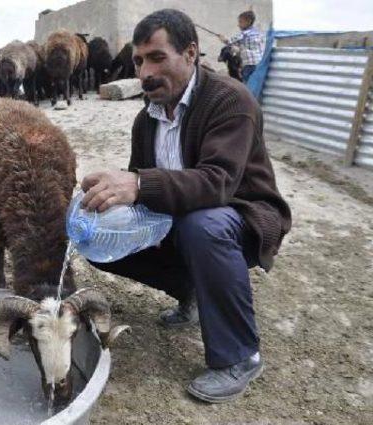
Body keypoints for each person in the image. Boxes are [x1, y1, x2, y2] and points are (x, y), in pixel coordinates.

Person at [80, 9, 291, 403]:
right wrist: (111, 202)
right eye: (139, 61)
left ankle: (240, 356)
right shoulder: (147, 119)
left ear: (191, 53)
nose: (144, 73)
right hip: (181, 218)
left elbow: (218, 182)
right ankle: (191, 292)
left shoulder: (230, 101)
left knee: (202, 225)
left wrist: (139, 184)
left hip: (242, 215)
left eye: (157, 58)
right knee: (101, 240)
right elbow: (141, 193)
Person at [219, 10, 265, 82]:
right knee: (255, 83)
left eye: (240, 22)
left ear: (248, 22)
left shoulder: (244, 34)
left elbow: (230, 41)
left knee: (246, 83)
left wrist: (223, 39)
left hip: (249, 64)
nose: (238, 24)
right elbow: (238, 44)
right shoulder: (257, 32)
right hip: (259, 63)